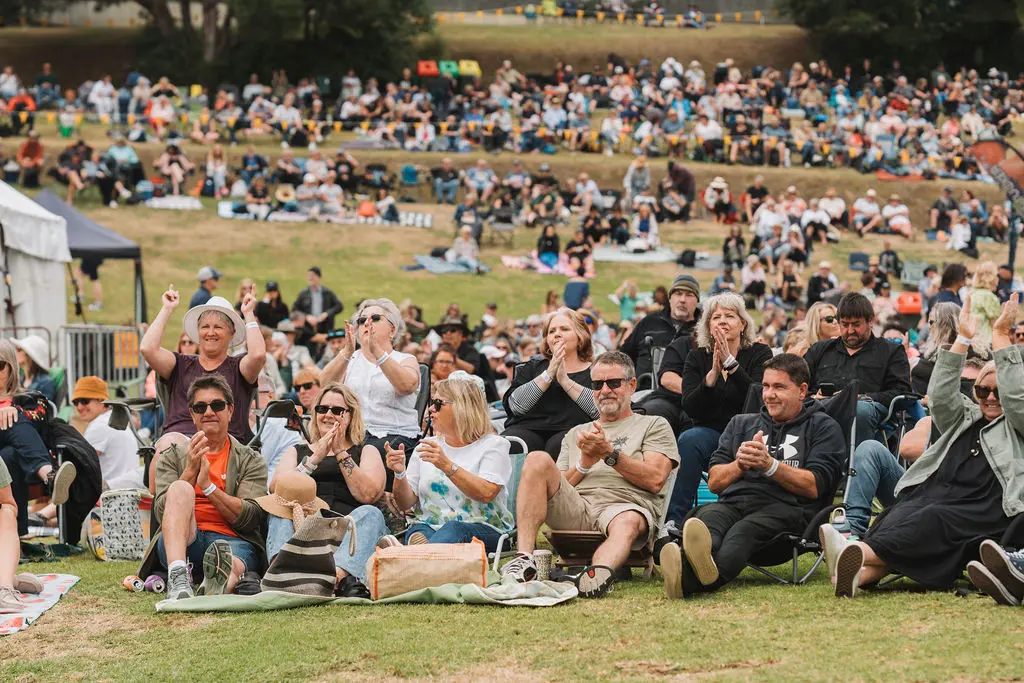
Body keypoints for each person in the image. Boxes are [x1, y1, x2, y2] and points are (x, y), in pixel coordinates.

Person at [826, 295, 1024, 598]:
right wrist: (963, 338)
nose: (991, 397)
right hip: (939, 495)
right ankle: (855, 573)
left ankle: (852, 550)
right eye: (983, 390)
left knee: (931, 518)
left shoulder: (1016, 427)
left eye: (999, 391)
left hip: (983, 508)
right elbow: (941, 394)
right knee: (899, 514)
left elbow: (1016, 399)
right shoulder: (965, 417)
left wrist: (999, 334)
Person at [661, 354, 846, 598]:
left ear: (802, 391)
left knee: (742, 532)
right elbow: (715, 482)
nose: (769, 394)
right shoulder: (741, 423)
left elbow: (814, 487)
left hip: (788, 510)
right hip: (733, 503)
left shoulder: (823, 427)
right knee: (707, 523)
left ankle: (686, 581)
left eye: (779, 387)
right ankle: (697, 567)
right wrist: (739, 465)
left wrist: (770, 466)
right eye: (766, 386)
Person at [500, 352, 678, 598]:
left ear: (632, 385)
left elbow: (656, 479)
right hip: (577, 506)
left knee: (626, 522)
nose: (605, 390)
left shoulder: (653, 424)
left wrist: (609, 454)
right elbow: (558, 485)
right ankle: (524, 560)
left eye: (614, 383)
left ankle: (594, 576)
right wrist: (584, 463)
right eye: (597, 385)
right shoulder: (576, 433)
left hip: (625, 506)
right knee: (537, 459)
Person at [264, 383, 389, 598]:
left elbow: (368, 494)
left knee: (371, 513)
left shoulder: (366, 451)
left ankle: (335, 579)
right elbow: (277, 489)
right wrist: (314, 459)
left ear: (351, 415)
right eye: (323, 409)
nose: (328, 414)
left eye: (337, 410)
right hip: (303, 528)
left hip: (348, 533)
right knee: (279, 509)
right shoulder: (298, 451)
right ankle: (281, 573)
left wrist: (340, 450)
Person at [149, 375, 267, 600]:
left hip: (232, 541)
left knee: (229, 561)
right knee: (179, 489)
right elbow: (161, 510)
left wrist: (208, 487)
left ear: (230, 411)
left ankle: (217, 586)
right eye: (200, 407)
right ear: (192, 415)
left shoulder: (250, 459)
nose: (209, 412)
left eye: (217, 405)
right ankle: (179, 578)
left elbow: (251, 516)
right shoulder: (172, 456)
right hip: (182, 542)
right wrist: (191, 472)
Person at [140, 286, 266, 490]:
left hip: (226, 442)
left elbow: (259, 355)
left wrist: (249, 313)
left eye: (218, 327)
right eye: (205, 327)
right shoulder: (180, 364)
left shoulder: (238, 367)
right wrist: (167, 309)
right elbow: (147, 349)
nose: (210, 332)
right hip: (180, 441)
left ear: (232, 332)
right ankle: (160, 509)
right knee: (165, 445)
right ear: (198, 332)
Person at [667, 293, 773, 526]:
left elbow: (758, 397)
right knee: (689, 439)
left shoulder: (760, 354)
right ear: (708, 325)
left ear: (743, 324)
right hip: (711, 435)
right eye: (716, 317)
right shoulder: (697, 357)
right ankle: (672, 523)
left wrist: (731, 365)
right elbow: (690, 406)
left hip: (751, 435)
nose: (722, 321)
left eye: (730, 316)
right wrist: (712, 377)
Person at [386, 373, 514, 551]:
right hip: (429, 526)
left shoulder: (494, 445)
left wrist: (447, 466)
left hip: (484, 529)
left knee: (453, 529)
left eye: (438, 404)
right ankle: (421, 555)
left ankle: (407, 556)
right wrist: (399, 473)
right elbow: (405, 503)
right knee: (419, 531)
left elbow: (487, 493)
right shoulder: (425, 447)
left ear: (462, 408)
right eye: (432, 403)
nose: (430, 409)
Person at [321, 298, 421, 466]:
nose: (367, 323)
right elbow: (324, 387)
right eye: (361, 320)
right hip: (353, 436)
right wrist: (346, 351)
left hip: (394, 436)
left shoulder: (405, 359)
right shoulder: (350, 359)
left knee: (366, 453)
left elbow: (407, 386)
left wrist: (378, 353)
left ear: (392, 329)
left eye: (375, 318)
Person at [804, 293, 911, 444]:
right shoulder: (820, 350)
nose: (850, 331)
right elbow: (798, 383)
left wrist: (863, 397)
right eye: (845, 325)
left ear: (870, 321)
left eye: (856, 324)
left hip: (867, 409)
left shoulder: (891, 351)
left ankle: (857, 464)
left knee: (859, 410)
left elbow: (902, 391)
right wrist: (814, 396)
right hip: (822, 407)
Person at [0, 340, 76, 537]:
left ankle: (15, 535)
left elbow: (40, 419)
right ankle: (50, 475)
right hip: (30, 462)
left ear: (11, 367)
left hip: (12, 460)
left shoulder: (29, 398)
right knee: (14, 422)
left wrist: (14, 409)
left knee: (9, 456)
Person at [502, 308, 597, 458]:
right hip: (527, 429)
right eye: (552, 331)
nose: (557, 334)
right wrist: (549, 373)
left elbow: (600, 410)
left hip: (571, 430)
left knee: (560, 444)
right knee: (513, 443)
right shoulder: (532, 367)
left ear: (581, 336)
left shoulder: (596, 371)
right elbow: (515, 407)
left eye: (564, 329)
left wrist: (565, 381)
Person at [620, 274, 701, 385]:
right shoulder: (649, 322)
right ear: (670, 298)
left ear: (697, 301)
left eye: (689, 295)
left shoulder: (704, 329)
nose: (682, 299)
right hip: (642, 393)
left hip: (686, 394)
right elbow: (625, 355)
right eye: (678, 294)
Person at [72, 377, 143, 490]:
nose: (79, 407)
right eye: (76, 402)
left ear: (101, 401)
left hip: (110, 496)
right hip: (128, 492)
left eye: (85, 401)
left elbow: (77, 468)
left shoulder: (99, 425)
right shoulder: (113, 420)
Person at [292, 267, 344, 346]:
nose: (310, 278)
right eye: (309, 276)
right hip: (308, 329)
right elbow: (295, 309)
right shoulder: (303, 293)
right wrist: (306, 317)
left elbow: (339, 306)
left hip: (326, 326)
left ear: (318, 277)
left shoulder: (327, 292)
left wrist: (326, 314)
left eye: (312, 276)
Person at [968, 261, 1002, 355]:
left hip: (970, 339)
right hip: (986, 343)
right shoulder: (990, 297)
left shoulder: (971, 293)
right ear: (992, 277)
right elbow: (995, 324)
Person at [12, 335, 55, 401]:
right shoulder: (19, 381)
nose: (15, 352)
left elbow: (45, 408)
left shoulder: (46, 382)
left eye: (19, 350)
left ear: (29, 355)